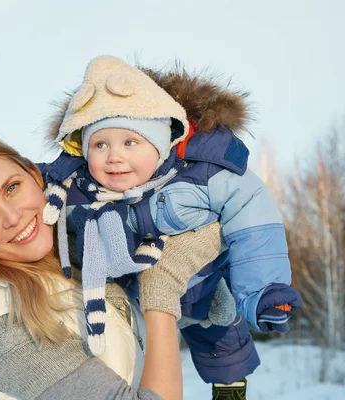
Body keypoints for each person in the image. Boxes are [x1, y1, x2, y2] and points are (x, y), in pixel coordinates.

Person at [41, 55, 303, 398]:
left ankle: (230, 388)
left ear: (162, 142)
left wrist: (265, 289)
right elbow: (21, 191)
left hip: (202, 283)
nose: (113, 156)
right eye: (99, 144)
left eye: (130, 142)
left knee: (219, 331)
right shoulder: (77, 187)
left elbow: (254, 221)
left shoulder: (203, 175)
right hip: (135, 300)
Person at [0, 132, 223, 400]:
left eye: (12, 188)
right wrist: (161, 294)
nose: (13, 217)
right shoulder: (5, 334)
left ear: (34, 174)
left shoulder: (76, 259)